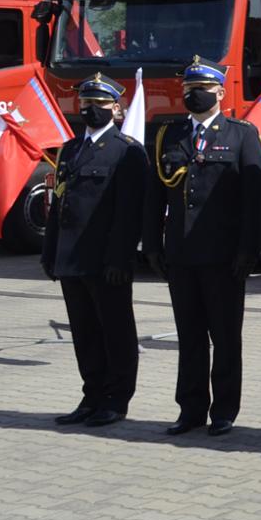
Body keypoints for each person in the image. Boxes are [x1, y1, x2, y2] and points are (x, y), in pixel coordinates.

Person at [144, 57, 261, 437]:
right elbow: (155, 196)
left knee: (225, 337)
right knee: (190, 336)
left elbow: (255, 199)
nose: (194, 94)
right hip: (181, 254)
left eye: (202, 89)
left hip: (224, 256)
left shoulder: (241, 135)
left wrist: (249, 249)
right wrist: (152, 245)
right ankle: (191, 409)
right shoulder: (168, 135)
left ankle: (225, 410)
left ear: (220, 93)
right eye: (188, 89)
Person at [44, 73, 150, 428]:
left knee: (115, 332)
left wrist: (121, 257)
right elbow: (59, 204)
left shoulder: (127, 151)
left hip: (106, 261)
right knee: (85, 333)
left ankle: (116, 399)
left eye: (100, 104)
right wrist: (50, 251)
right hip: (71, 258)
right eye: (86, 103)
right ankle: (92, 395)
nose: (91, 109)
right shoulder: (71, 149)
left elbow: (130, 212)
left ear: (116, 109)